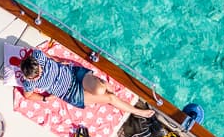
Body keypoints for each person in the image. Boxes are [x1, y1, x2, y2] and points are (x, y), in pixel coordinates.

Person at [15, 48, 154, 117]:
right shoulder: (29, 82)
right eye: (37, 76)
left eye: (40, 69)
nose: (41, 73)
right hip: (71, 93)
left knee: (101, 90)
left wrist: (59, 61)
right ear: (31, 78)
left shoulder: (37, 56)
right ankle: (138, 112)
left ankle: (102, 83)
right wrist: (45, 98)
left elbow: (50, 57)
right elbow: (28, 96)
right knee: (110, 97)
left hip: (74, 74)